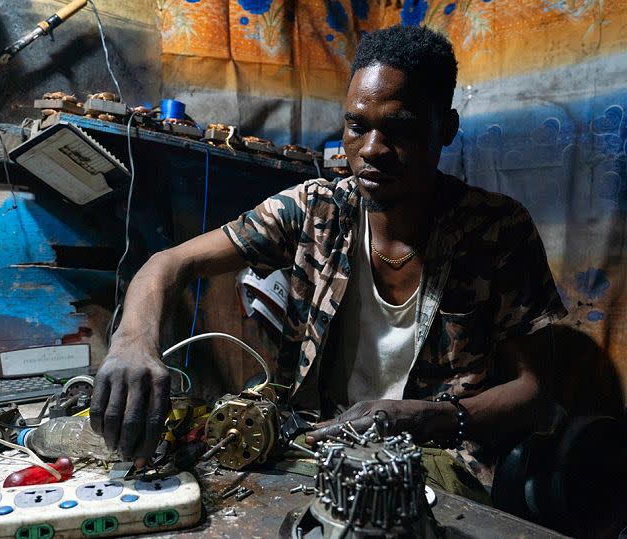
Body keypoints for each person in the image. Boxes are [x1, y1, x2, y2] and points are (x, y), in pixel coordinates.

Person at [89, 24, 567, 499]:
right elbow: (168, 264)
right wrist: (132, 343)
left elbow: (534, 390)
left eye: (400, 128)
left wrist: (429, 416)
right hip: (313, 444)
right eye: (357, 126)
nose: (372, 149)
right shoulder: (315, 210)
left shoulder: (496, 230)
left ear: (446, 128)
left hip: (438, 458)